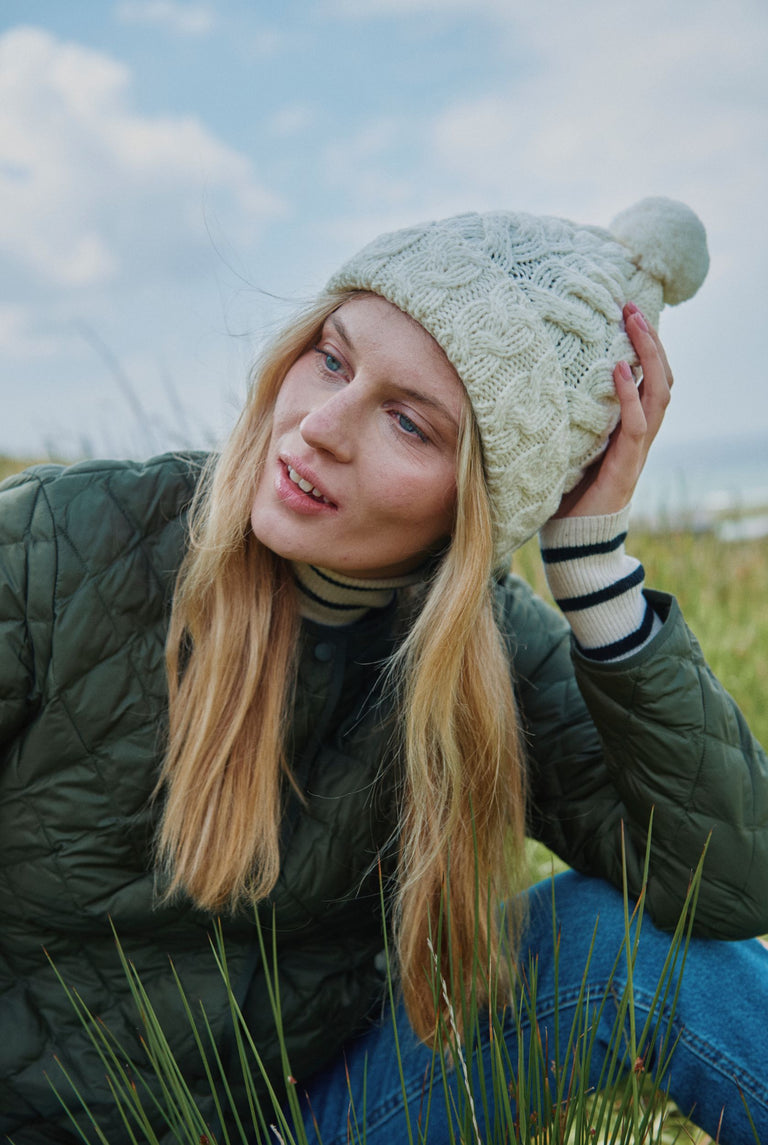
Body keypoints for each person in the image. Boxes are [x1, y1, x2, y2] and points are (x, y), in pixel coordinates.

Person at [1, 197, 766, 1145]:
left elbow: (726, 888)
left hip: (309, 1122)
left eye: (408, 422)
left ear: (483, 500)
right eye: (332, 357)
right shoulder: (64, 544)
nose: (321, 424)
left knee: (639, 948)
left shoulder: (497, 650)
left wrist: (597, 567)